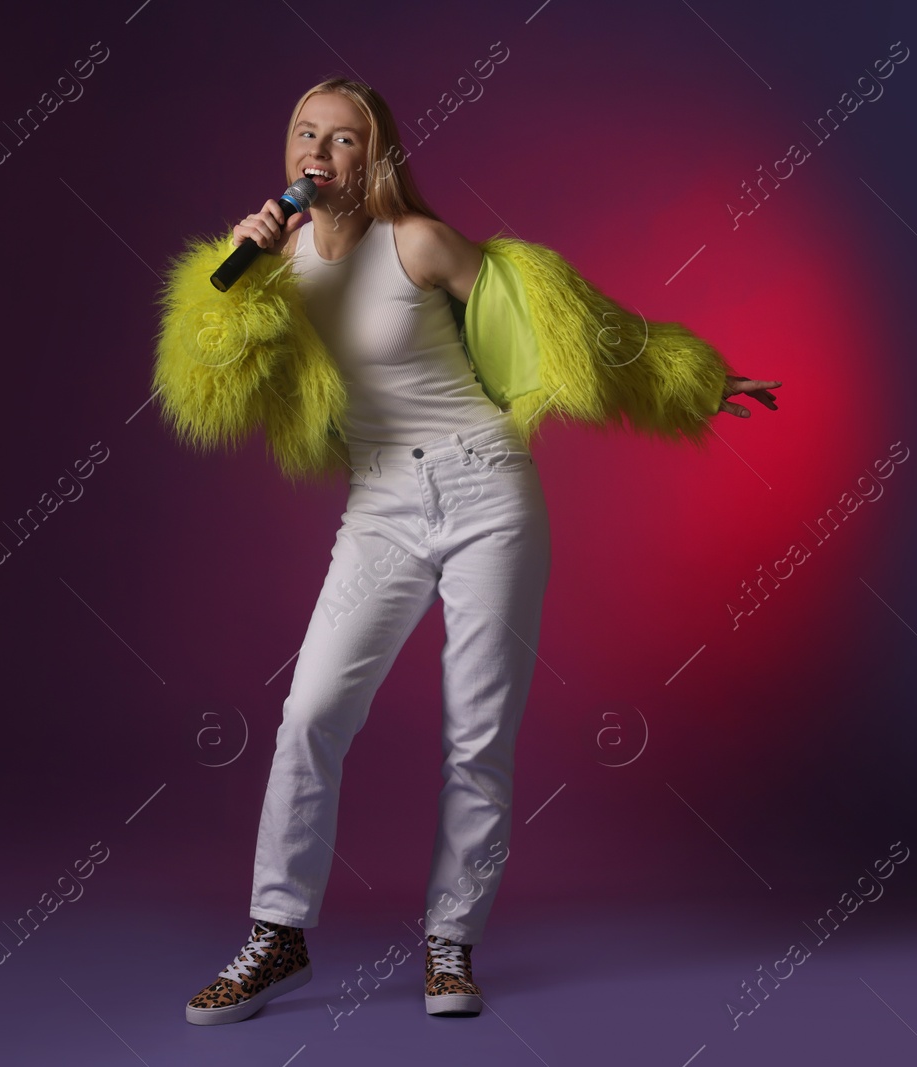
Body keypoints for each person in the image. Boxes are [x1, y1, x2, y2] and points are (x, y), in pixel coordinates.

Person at [155, 78, 781, 1026]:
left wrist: (694, 380)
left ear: (376, 157)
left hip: (487, 486)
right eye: (303, 133)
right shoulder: (271, 269)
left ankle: (451, 943)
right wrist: (237, 276)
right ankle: (276, 936)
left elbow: (568, 323)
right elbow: (206, 383)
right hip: (381, 505)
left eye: (343, 137)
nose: (318, 151)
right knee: (311, 711)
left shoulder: (417, 242)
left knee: (476, 730)